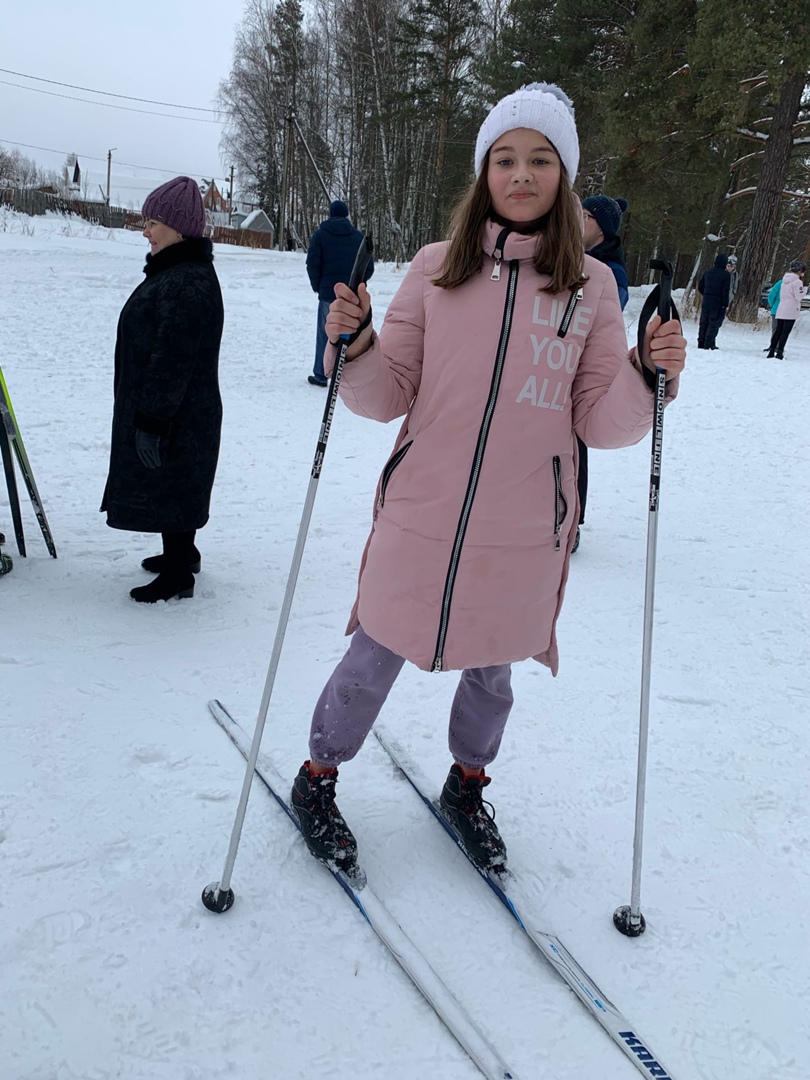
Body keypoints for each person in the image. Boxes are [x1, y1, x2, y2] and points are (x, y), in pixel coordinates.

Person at [288, 82, 686, 879]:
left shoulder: (591, 289)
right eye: (505, 158)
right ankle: (318, 774)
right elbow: (387, 393)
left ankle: (468, 786)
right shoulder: (436, 269)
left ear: (564, 177)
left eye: (541, 159)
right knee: (371, 656)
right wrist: (356, 346)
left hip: (524, 529)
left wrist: (646, 376)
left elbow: (599, 421)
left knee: (493, 673)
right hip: (421, 513)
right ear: (484, 173)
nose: (522, 173)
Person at [101, 176, 224, 603]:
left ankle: (177, 574)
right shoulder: (179, 272)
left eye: (153, 223)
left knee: (174, 479)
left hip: (177, 412)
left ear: (179, 229)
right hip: (182, 410)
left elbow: (172, 358)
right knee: (176, 480)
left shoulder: (185, 282)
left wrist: (153, 420)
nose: (146, 232)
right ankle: (183, 553)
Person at [576, 194, 630, 551]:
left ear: (603, 229)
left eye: (586, 216)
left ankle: (571, 519)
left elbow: (612, 309)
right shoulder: (574, 256)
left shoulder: (611, 269)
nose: (579, 221)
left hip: (582, 365)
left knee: (574, 441)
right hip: (553, 357)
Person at [305, 200, 374, 387]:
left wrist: (318, 287)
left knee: (326, 333)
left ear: (330, 214)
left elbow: (312, 264)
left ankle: (321, 374)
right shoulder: (358, 237)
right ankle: (348, 376)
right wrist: (359, 284)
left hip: (328, 293)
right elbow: (369, 267)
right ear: (346, 215)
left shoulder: (320, 236)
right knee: (351, 335)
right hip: (352, 296)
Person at [767, 260, 807, 359]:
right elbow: (798, 296)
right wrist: (805, 289)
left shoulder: (784, 281)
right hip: (791, 309)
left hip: (781, 307)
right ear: (800, 270)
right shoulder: (797, 282)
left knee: (778, 331)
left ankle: (771, 351)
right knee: (785, 332)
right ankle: (780, 352)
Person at [697, 253, 731, 350]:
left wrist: (706, 294)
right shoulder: (726, 275)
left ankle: (701, 342)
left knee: (704, 322)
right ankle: (709, 343)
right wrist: (725, 304)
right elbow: (725, 291)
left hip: (706, 301)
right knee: (713, 323)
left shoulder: (708, 272)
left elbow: (700, 287)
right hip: (717, 303)